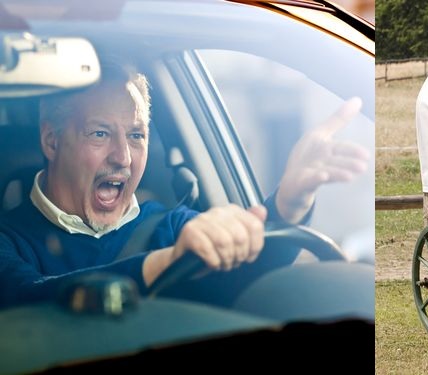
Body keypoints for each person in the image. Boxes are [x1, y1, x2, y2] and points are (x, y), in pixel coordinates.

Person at [0, 62, 369, 309]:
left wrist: (290, 202)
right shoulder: (9, 239)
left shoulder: (171, 226)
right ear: (51, 141)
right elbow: (23, 299)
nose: (123, 158)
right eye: (100, 133)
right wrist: (166, 263)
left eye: (136, 135)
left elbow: (250, 277)